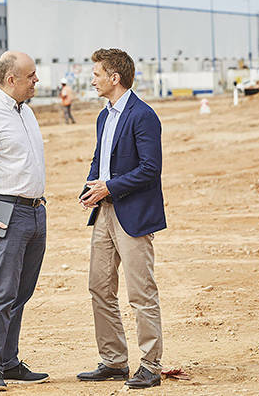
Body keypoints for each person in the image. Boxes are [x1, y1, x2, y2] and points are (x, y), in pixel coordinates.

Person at [77, 48, 166, 389]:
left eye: (97, 73)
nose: (92, 79)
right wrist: (90, 187)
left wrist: (109, 187)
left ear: (115, 78)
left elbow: (150, 169)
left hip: (133, 214)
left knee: (141, 292)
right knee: (99, 286)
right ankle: (113, 361)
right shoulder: (104, 116)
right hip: (104, 212)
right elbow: (100, 159)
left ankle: (151, 365)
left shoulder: (143, 116)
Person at [0, 51, 49, 392]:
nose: (37, 80)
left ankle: (9, 361)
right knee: (1, 293)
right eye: (31, 75)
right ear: (11, 79)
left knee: (21, 293)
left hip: (34, 211)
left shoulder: (26, 112)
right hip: (5, 214)